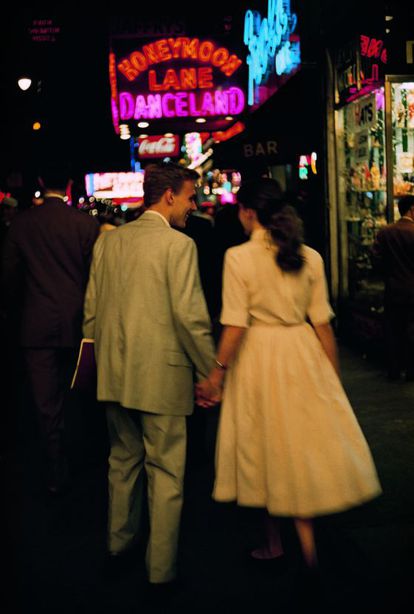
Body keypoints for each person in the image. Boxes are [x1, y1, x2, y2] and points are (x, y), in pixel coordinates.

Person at [196, 178, 382, 571]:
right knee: (299, 446)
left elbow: (234, 324)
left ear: (248, 212)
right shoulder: (309, 256)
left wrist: (217, 373)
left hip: (259, 356)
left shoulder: (238, 257)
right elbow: (323, 324)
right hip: (302, 354)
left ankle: (272, 542)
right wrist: (330, 377)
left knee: (262, 445)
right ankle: (309, 545)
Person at [82, 161, 215, 589]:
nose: (194, 206)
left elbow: (91, 313)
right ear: (170, 195)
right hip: (162, 376)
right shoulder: (179, 246)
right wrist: (210, 371)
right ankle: (160, 570)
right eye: (191, 197)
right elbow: (190, 318)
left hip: (114, 376)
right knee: (167, 473)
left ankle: (118, 548)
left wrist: (97, 365)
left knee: (121, 463)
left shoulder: (109, 243)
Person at [1, 165, 99, 494]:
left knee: (46, 402)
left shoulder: (22, 224)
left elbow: (10, 279)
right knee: (77, 395)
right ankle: (82, 459)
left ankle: (56, 467)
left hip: (36, 325)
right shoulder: (86, 224)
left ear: (41, 182)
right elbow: (95, 279)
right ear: (70, 184)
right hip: (78, 323)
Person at [372, 195, 414, 381]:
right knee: (412, 329)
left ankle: (394, 369)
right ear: (411, 209)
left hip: (393, 288)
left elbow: (375, 260)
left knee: (393, 329)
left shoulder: (385, 232)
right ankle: (411, 370)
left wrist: (388, 274)